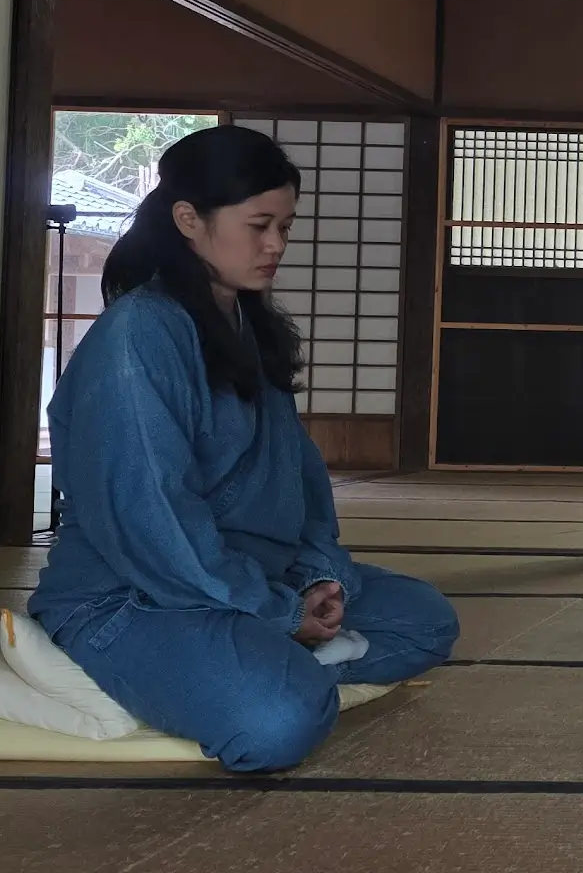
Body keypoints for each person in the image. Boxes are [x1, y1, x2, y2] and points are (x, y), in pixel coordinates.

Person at [29, 126, 457, 771]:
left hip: (258, 581)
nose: (276, 245)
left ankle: (247, 665)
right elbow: (154, 520)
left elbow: (301, 479)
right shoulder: (137, 339)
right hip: (138, 596)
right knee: (276, 721)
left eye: (284, 226)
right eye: (259, 225)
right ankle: (251, 670)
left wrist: (317, 576)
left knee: (425, 621)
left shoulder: (243, 326)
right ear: (188, 220)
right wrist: (282, 613)